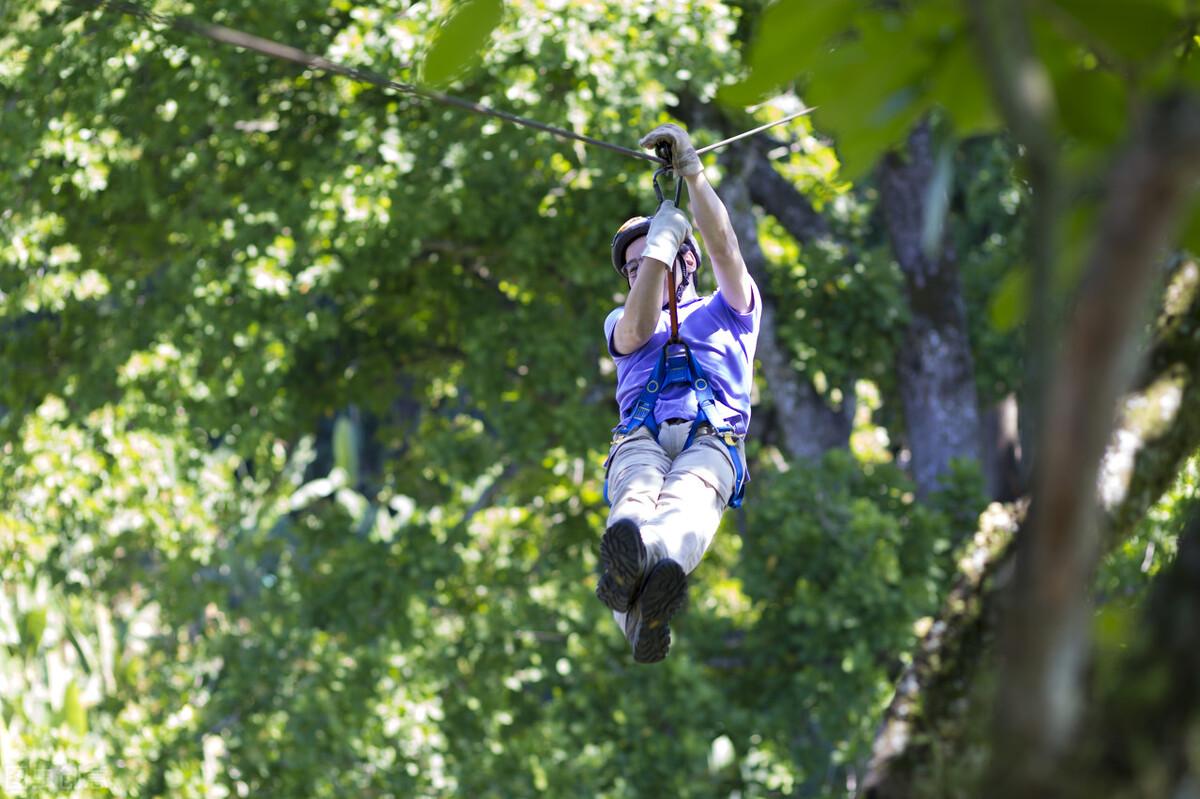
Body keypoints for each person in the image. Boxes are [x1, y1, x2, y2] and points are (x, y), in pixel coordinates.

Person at [597, 123, 761, 663]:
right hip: (639, 439)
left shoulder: (731, 311)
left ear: (688, 261)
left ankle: (644, 575)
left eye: (660, 257)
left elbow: (726, 248)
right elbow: (638, 331)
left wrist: (692, 175)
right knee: (634, 505)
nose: (643, 270)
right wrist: (657, 252)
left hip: (711, 440)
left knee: (685, 508)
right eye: (632, 267)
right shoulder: (622, 320)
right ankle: (640, 598)